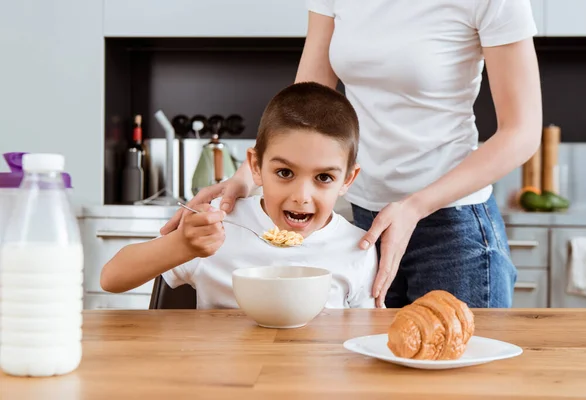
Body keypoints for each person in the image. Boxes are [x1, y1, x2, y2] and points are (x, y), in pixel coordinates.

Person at [160, 0, 543, 309]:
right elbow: (306, 104)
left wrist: (414, 206)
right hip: (362, 224)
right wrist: (249, 175)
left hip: (453, 230)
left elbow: (522, 133)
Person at [101, 82, 379, 309]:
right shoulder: (220, 226)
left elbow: (360, 335)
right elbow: (110, 278)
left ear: (347, 179)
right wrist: (182, 246)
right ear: (256, 167)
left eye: (323, 178)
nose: (301, 196)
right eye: (284, 173)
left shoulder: (357, 248)